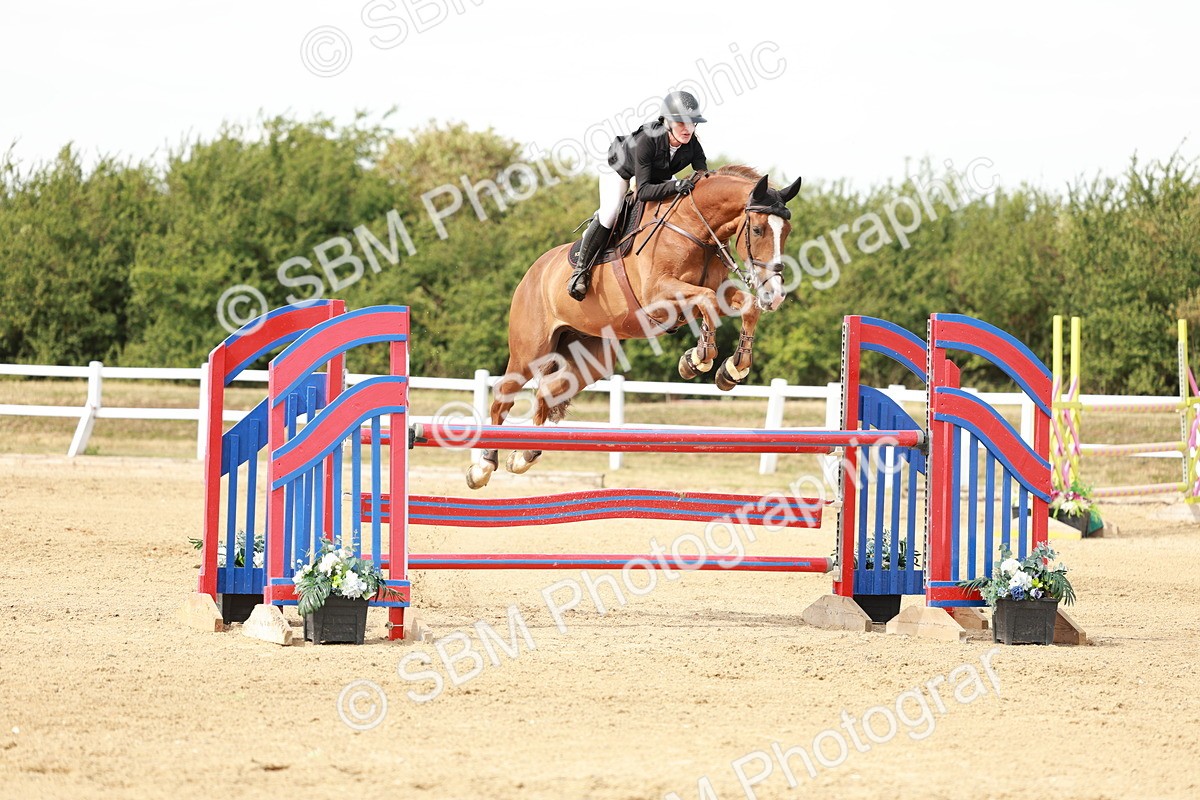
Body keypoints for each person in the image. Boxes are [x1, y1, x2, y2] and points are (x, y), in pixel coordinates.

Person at [567, 90, 709, 301]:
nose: (688, 129)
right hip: (620, 170)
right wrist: (677, 184)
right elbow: (642, 191)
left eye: (692, 123)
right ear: (667, 122)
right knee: (611, 212)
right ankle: (580, 271)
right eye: (682, 123)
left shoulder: (693, 144)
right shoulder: (648, 140)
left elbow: (704, 177)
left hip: (656, 175)